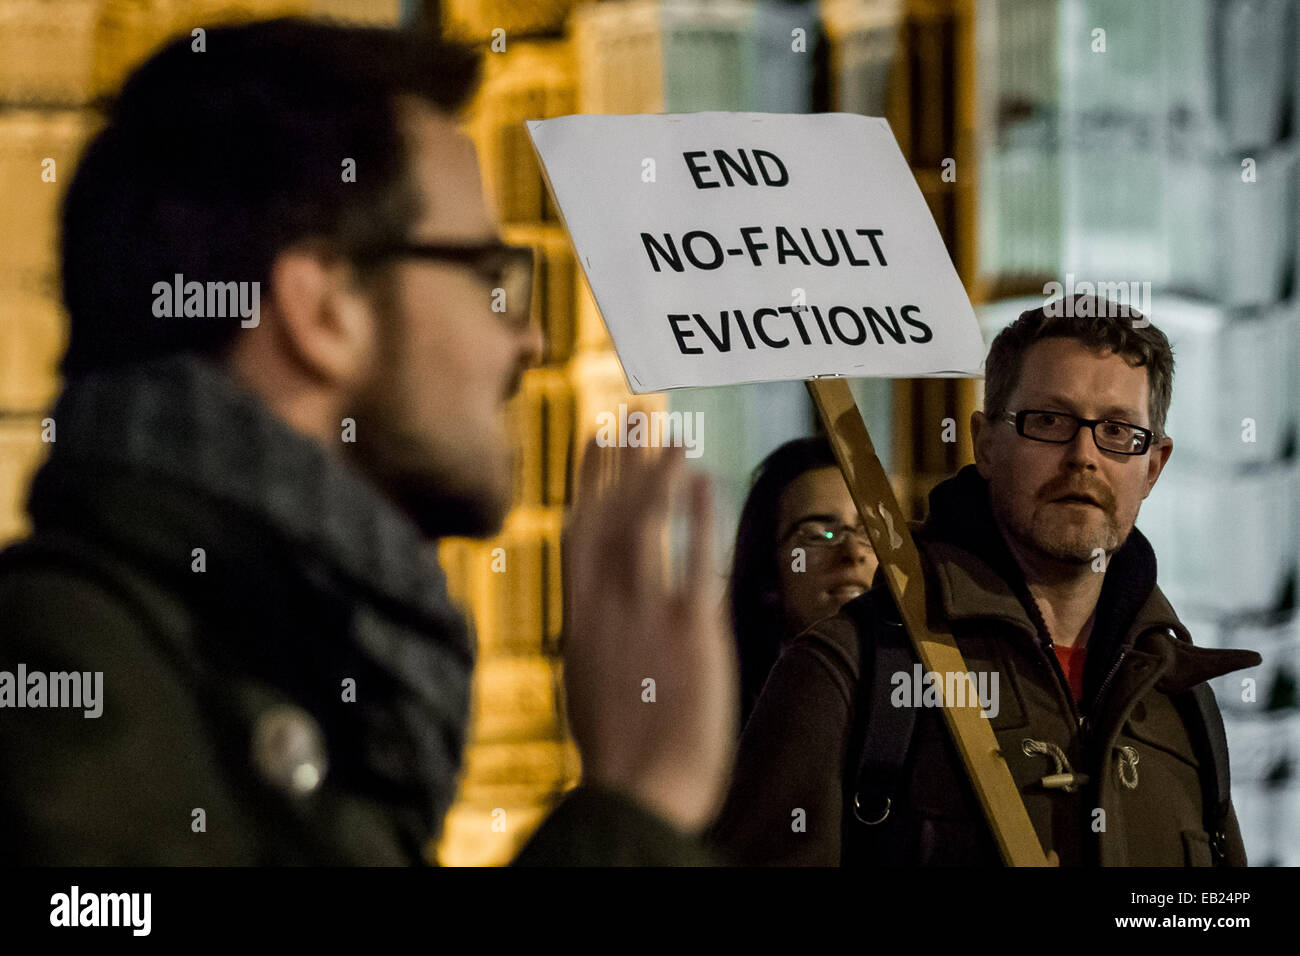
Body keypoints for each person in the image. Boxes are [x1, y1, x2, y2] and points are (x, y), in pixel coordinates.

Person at [0, 19, 734, 865]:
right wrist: (633, 810)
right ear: (324, 312)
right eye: (489, 277)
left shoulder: (284, 655)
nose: (528, 340)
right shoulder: (71, 672)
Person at [711, 295, 1262, 866]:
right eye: (1049, 421)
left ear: (1153, 465)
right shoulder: (852, 670)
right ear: (986, 442)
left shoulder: (1183, 705)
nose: (1083, 457)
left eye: (1119, 432)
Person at [729, 436, 878, 728]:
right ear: (767, 574)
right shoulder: (724, 717)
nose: (853, 552)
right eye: (818, 533)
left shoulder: (925, 689)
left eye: (869, 531)